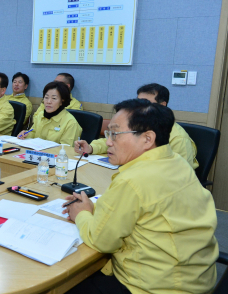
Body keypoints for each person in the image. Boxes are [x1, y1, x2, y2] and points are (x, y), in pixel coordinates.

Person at [63, 99, 217, 294]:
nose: (108, 141)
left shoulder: (132, 180)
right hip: (198, 279)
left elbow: (100, 240)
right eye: (108, 133)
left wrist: (82, 213)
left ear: (147, 139)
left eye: (115, 134)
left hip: (154, 287)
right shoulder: (176, 161)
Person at [74, 83, 198, 169]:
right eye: (138, 102)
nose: (139, 108)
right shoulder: (136, 124)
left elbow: (179, 176)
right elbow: (115, 140)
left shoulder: (179, 138)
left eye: (146, 104)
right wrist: (91, 147)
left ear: (162, 105)